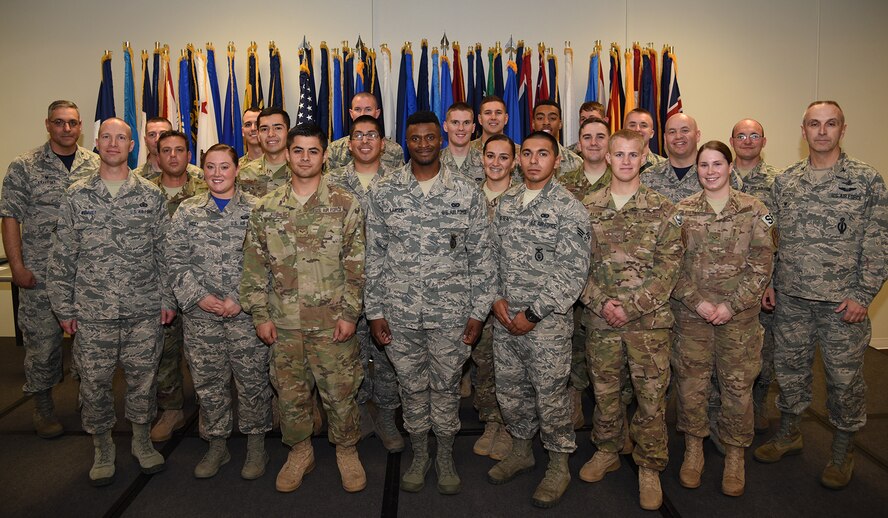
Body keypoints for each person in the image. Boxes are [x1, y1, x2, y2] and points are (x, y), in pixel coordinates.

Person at [754, 101, 888, 490]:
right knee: (790, 373)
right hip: (792, 298)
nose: (822, 131)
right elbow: (773, 239)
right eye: (814, 124)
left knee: (844, 382)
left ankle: (843, 449)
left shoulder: (866, 180)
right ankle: (790, 434)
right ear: (803, 130)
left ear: (842, 130)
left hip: (842, 303)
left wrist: (864, 294)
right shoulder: (787, 181)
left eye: (830, 124)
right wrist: (769, 282)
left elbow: (878, 242)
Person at [364, 111, 493, 495]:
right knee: (412, 387)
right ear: (407, 142)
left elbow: (481, 257)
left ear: (441, 140)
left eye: (429, 137)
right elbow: (373, 255)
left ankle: (446, 454)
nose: (423, 144)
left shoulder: (467, 190)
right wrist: (374, 312)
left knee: (448, 385)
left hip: (452, 315)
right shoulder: (385, 191)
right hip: (399, 313)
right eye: (415, 138)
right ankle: (421, 454)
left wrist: (477, 312)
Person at [47, 117, 175, 486]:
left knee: (142, 380)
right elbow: (62, 257)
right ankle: (102, 446)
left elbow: (164, 253)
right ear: (97, 143)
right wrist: (64, 308)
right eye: (107, 137)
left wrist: (167, 298)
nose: (114, 143)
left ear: (132, 146)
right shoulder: (76, 195)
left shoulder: (150, 196)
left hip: (144, 309)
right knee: (94, 382)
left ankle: (140, 440)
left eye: (122, 137)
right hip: (92, 311)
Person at [240, 124, 367, 493]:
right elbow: (253, 266)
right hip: (284, 323)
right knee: (291, 395)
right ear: (288, 154)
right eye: (298, 151)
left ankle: (346, 450)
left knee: (341, 393)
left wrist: (349, 314)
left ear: (324, 156)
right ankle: (299, 451)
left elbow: (357, 267)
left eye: (313, 151)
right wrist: (260, 316)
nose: (305, 158)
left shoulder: (345, 203)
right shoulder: (266, 208)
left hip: (332, 323)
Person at [578, 129, 683, 511]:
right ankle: (607, 449)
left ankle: (650, 465)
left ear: (644, 158)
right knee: (605, 394)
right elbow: (576, 268)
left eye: (632, 155)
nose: (625, 161)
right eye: (617, 154)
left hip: (649, 325)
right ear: (606, 157)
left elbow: (670, 266)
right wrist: (601, 303)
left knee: (651, 400)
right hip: (601, 321)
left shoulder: (663, 208)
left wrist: (632, 307)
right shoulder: (587, 208)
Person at [487, 131, 591, 508]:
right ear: (518, 159)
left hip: (545, 323)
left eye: (542, 154)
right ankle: (520, 449)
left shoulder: (569, 208)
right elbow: (490, 257)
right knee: (511, 390)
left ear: (557, 160)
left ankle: (559, 462)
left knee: (550, 395)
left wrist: (532, 313)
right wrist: (495, 299)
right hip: (504, 318)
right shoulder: (507, 202)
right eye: (527, 153)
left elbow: (572, 272)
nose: (533, 160)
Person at [671, 141, 774, 496]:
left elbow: (762, 264)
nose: (710, 171)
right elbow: (670, 266)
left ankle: (734, 455)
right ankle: (694, 450)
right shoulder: (681, 211)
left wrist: (731, 305)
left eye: (717, 164)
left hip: (739, 320)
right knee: (691, 387)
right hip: (692, 318)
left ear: (730, 167)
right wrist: (697, 302)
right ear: (696, 169)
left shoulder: (753, 209)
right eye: (703, 165)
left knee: (737, 389)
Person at [166, 143, 272, 480]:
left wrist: (242, 301)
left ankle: (256, 446)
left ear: (236, 170)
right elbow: (174, 260)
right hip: (201, 318)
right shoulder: (187, 211)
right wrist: (198, 297)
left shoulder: (257, 210)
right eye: (210, 167)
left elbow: (269, 264)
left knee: (252, 382)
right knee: (208, 383)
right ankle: (217, 444)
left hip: (245, 317)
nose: (216, 174)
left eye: (224, 167)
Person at [0, 100, 99, 438]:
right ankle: (43, 408)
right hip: (41, 273)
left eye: (72, 123)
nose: (66, 129)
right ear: (48, 125)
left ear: (80, 125)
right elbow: (10, 217)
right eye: (59, 122)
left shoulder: (95, 164)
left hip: (86, 276)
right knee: (42, 345)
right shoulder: (24, 166)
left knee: (89, 345)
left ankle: (89, 403)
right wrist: (17, 266)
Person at [327, 115, 404, 453]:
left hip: (390, 285)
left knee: (387, 355)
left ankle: (387, 416)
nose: (365, 141)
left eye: (372, 134)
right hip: (345, 285)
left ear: (382, 143)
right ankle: (358, 414)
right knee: (349, 356)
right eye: (358, 135)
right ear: (349, 143)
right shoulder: (331, 182)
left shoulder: (400, 180)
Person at [148, 130, 207, 442]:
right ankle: (171, 408)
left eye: (180, 150)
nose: (173, 156)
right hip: (159, 289)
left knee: (202, 355)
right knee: (164, 353)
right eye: (166, 150)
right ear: (157, 157)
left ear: (189, 154)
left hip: (200, 288)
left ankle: (207, 409)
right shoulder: (144, 193)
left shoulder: (206, 187)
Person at [727, 119, 783, 434]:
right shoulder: (716, 173)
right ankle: (725, 409)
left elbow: (780, 237)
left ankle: (758, 403)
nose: (747, 140)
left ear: (764, 141)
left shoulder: (780, 181)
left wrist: (769, 283)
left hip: (763, 284)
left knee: (764, 351)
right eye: (741, 135)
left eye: (754, 135)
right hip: (724, 283)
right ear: (732, 140)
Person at [559, 117, 613, 430]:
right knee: (573, 346)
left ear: (609, 143)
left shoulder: (622, 179)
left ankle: (614, 419)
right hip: (571, 281)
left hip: (608, 282)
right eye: (587, 137)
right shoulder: (565, 184)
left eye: (600, 136)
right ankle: (575, 402)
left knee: (610, 357)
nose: (593, 142)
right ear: (578, 144)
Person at [472, 134, 520, 460]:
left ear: (513, 162)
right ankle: (490, 419)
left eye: (504, 157)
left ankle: (509, 425)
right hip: (477, 299)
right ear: (482, 158)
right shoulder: (467, 198)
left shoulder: (524, 198)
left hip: (511, 299)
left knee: (511, 366)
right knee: (483, 361)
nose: (496, 163)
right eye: (491, 156)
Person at [325, 92, 404, 171]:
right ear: (351, 113)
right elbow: (328, 181)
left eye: (368, 109)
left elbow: (399, 181)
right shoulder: (334, 149)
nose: (362, 114)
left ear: (377, 113)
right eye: (357, 109)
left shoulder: (395, 150)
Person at [644, 113, 702, 203]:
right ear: (665, 138)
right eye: (672, 132)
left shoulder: (715, 174)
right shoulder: (647, 177)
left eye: (685, 130)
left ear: (697, 135)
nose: (678, 136)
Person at [237, 107, 292, 198]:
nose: (271, 134)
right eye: (264, 129)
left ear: (289, 133)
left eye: (278, 128)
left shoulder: (302, 170)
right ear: (258, 135)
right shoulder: (243, 173)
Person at [133, 117, 202, 181]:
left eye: (163, 134)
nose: (157, 139)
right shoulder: (135, 177)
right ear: (145, 140)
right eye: (152, 134)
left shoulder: (197, 174)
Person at [532, 100, 582, 176]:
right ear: (533, 123)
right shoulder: (519, 162)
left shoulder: (575, 162)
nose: (546, 122)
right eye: (540, 118)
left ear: (560, 124)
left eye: (552, 118)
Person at [440, 102, 484, 185]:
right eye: (455, 122)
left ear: (473, 128)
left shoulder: (487, 162)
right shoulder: (434, 162)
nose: (461, 128)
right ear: (445, 126)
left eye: (466, 123)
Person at [624, 108, 667, 172]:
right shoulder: (612, 165)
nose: (637, 129)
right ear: (624, 131)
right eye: (632, 125)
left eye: (643, 126)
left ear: (652, 133)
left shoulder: (664, 166)